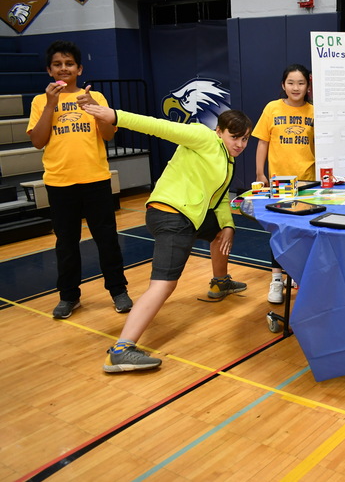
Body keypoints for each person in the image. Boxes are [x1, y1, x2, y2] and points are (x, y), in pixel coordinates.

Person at [81, 104, 252, 372]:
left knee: (219, 232)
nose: (240, 144)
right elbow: (158, 126)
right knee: (163, 284)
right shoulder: (204, 137)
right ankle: (121, 350)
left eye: (245, 139)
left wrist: (228, 226)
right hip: (172, 216)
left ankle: (220, 283)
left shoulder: (227, 159)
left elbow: (218, 200)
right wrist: (115, 116)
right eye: (235, 137)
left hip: (190, 215)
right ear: (219, 131)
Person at [26, 40, 132, 319]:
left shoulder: (95, 97)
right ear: (49, 71)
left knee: (107, 239)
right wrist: (51, 105)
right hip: (59, 182)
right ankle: (69, 296)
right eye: (57, 64)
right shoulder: (40, 101)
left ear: (79, 69)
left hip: (95, 179)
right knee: (66, 243)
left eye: (69, 63)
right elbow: (38, 141)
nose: (64, 68)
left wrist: (95, 108)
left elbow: (108, 135)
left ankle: (118, 290)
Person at [253, 64, 314, 304]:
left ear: (308, 86)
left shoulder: (315, 112)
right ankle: (277, 280)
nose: (296, 87)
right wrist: (260, 173)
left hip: (308, 182)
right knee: (279, 232)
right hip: (280, 183)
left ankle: (298, 275)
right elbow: (262, 143)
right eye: (291, 83)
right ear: (283, 85)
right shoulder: (272, 108)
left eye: (301, 83)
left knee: (305, 231)